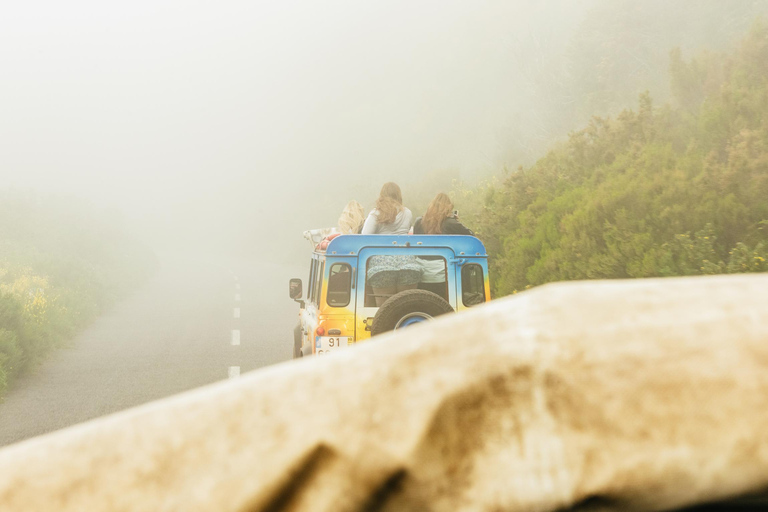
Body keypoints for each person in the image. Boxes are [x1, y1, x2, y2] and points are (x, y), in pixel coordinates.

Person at [362, 183, 421, 306]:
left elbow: (364, 236)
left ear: (382, 195)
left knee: (385, 311)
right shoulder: (407, 213)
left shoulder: (376, 213)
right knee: (404, 308)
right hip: (407, 262)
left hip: (381, 265)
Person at [413, 192, 475, 300]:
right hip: (444, 276)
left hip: (422, 275)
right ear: (448, 208)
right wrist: (456, 221)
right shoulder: (451, 224)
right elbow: (471, 238)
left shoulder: (419, 222)